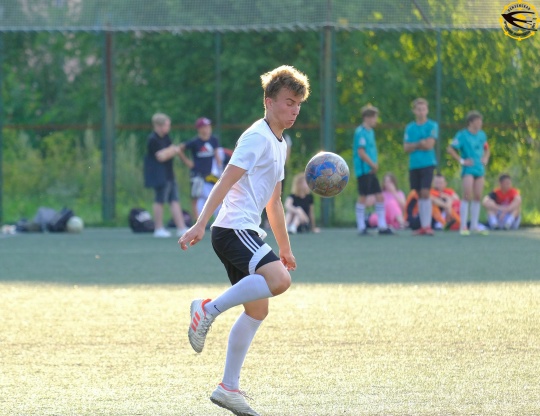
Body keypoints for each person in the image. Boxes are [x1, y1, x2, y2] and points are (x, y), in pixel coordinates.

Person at [179, 65, 310, 416]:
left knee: (257, 310)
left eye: (298, 104)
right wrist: (200, 223)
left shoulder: (281, 143)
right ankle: (206, 309)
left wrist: (285, 247)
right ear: (269, 101)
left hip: (245, 230)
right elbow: (225, 179)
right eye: (288, 102)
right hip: (233, 229)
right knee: (279, 281)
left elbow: (274, 201)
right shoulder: (256, 138)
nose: (294, 110)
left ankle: (228, 388)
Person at [143, 113, 188, 238]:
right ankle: (158, 228)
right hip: (159, 175)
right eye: (167, 125)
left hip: (169, 174)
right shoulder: (153, 139)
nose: (168, 127)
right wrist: (172, 150)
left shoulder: (167, 137)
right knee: (160, 200)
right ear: (159, 126)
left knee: (174, 200)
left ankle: (181, 227)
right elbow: (161, 157)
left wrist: (170, 151)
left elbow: (169, 152)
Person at [447, 111, 490, 235]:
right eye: (477, 121)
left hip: (479, 169)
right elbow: (450, 149)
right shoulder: (462, 135)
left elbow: (487, 149)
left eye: (481, 121)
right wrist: (462, 161)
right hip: (468, 169)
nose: (480, 123)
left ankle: (474, 226)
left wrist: (485, 158)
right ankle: (463, 226)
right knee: (467, 195)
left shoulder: (482, 135)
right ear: (470, 122)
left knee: (478, 196)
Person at [353, 105, 394, 235]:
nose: (376, 120)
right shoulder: (360, 132)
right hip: (364, 170)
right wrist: (372, 164)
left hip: (370, 170)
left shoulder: (371, 132)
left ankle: (382, 226)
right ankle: (361, 227)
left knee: (379, 196)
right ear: (367, 118)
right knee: (363, 196)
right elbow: (361, 152)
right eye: (374, 117)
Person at [403, 98, 438, 236]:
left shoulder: (432, 125)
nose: (421, 112)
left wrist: (414, 145)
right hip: (414, 165)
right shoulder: (410, 127)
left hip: (428, 164)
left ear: (427, 110)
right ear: (414, 111)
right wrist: (419, 144)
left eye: (423, 109)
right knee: (418, 194)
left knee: (425, 192)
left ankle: (427, 225)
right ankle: (423, 226)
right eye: (419, 109)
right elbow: (406, 148)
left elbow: (429, 145)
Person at [178, 117, 222, 220]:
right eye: (205, 127)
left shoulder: (213, 140)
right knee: (196, 197)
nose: (207, 129)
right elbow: (180, 149)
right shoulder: (195, 142)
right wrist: (188, 162)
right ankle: (197, 221)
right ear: (199, 129)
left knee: (215, 195)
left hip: (210, 174)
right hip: (197, 174)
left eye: (208, 126)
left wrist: (219, 167)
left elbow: (216, 154)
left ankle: (217, 219)